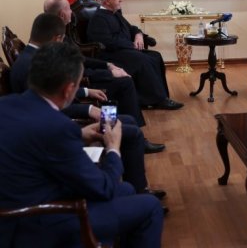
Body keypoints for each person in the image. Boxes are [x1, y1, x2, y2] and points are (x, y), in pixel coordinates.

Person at [0, 42, 164, 247]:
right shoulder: (58, 126)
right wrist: (113, 148)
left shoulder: (6, 105)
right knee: (150, 207)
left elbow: (33, 142)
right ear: (69, 89)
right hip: (39, 222)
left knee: (128, 189)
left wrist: (79, 135)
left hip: (18, 207)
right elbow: (103, 188)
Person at [9, 13, 167, 200]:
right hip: (71, 119)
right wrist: (92, 115)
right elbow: (51, 107)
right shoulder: (32, 65)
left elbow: (48, 100)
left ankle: (137, 188)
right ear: (57, 39)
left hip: (70, 115)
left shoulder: (33, 58)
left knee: (128, 121)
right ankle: (136, 191)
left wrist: (85, 91)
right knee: (129, 130)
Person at [43, 0, 165, 153]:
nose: (72, 13)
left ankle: (116, 135)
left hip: (80, 82)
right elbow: (71, 75)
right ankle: (121, 137)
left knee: (122, 81)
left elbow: (79, 60)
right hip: (80, 86)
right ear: (61, 15)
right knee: (123, 83)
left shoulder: (58, 34)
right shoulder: (55, 40)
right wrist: (105, 76)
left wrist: (108, 66)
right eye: (68, 9)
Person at [87, 0, 183, 110]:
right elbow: (108, 42)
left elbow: (131, 28)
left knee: (155, 56)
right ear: (107, 1)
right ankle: (157, 99)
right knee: (143, 60)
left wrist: (138, 34)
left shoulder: (115, 13)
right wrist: (131, 45)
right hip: (111, 54)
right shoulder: (99, 18)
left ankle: (160, 97)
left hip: (126, 50)